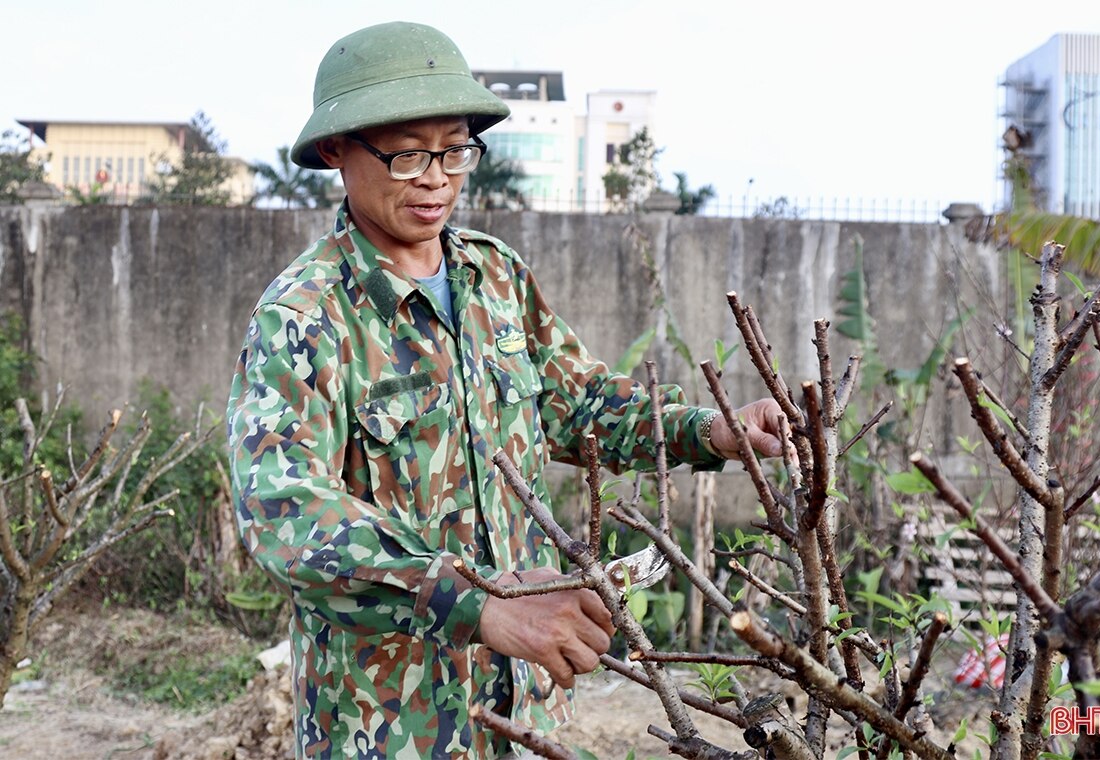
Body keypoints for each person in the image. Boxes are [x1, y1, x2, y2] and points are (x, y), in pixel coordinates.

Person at [227, 20, 788, 760]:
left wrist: (708, 431)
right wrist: (478, 603)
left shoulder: (494, 278)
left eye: (455, 149)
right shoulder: (307, 313)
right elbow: (284, 511)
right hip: (387, 723)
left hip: (525, 710)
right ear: (336, 151)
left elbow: (580, 405)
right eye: (406, 154)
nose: (437, 178)